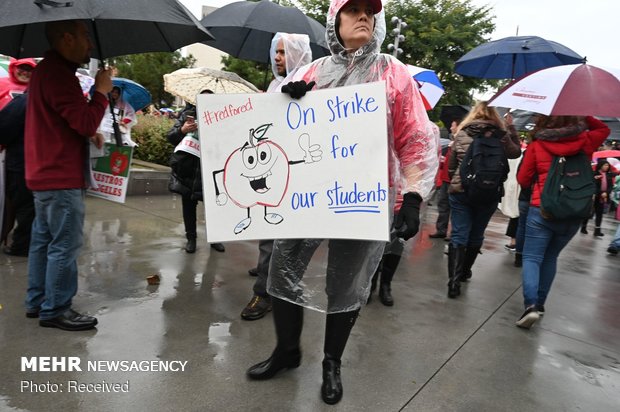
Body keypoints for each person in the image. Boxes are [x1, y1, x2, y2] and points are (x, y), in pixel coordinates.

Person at [246, 0, 438, 405]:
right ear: (335, 20)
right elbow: (267, 133)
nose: (363, 15)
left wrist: (413, 196)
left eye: (371, 9)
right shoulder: (311, 72)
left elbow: (416, 139)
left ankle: (331, 362)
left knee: (347, 285)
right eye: (352, 10)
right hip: (307, 197)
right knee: (282, 272)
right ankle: (286, 350)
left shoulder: (393, 74)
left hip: (363, 201)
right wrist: (286, 100)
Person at [24, 20, 112, 331]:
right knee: (64, 244)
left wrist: (87, 132)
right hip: (59, 176)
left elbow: (67, 122)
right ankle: (57, 308)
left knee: (43, 241)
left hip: (44, 172)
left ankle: (38, 301)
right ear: (66, 38)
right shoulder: (59, 75)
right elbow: (85, 122)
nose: (89, 44)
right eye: (84, 36)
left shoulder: (47, 71)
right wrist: (101, 93)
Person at [241, 32, 313, 321]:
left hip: (295, 175)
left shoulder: (310, 81)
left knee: (284, 240)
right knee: (269, 236)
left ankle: (268, 293)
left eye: (283, 52)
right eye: (276, 51)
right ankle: (268, 285)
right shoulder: (274, 84)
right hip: (270, 170)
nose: (277, 57)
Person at [515, 116, 609, 329]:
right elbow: (603, 129)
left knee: (532, 257)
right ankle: (540, 303)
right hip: (574, 211)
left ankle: (531, 305)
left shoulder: (537, 145)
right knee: (550, 258)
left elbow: (523, 179)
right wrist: (584, 115)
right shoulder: (585, 140)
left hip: (542, 209)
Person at [446, 102, 521, 298]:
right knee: (477, 234)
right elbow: (516, 153)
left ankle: (453, 282)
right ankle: (464, 272)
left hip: (461, 190)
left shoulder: (462, 133)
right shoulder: (501, 136)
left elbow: (451, 164)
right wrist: (510, 127)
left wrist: (457, 179)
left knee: (459, 234)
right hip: (489, 191)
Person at [167, 90, 225, 254]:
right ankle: (191, 239)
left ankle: (215, 239)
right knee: (188, 205)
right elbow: (171, 137)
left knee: (214, 207)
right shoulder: (187, 115)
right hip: (188, 168)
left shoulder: (221, 116)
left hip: (210, 169)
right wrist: (183, 130)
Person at [0, 92, 33, 257]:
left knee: (23, 206)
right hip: (43, 165)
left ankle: (21, 245)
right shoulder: (57, 101)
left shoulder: (24, 101)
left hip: (21, 163)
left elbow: (3, 129)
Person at [429, 119, 461, 239]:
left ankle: (452, 233)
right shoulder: (452, 142)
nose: (451, 128)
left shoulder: (460, 142)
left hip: (453, 180)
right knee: (443, 205)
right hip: (446, 179)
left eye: (453, 125)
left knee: (454, 208)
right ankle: (441, 230)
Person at [580, 159, 615, 237]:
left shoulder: (609, 175)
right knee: (589, 212)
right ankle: (583, 227)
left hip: (603, 197)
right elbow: (593, 185)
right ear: (600, 166)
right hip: (594, 196)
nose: (606, 167)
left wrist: (606, 192)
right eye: (605, 165)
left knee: (599, 213)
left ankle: (597, 230)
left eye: (607, 165)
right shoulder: (594, 174)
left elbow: (610, 186)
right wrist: (600, 192)